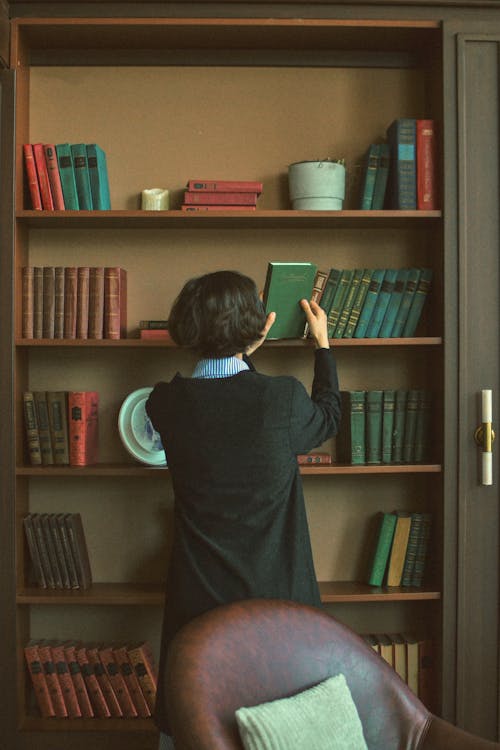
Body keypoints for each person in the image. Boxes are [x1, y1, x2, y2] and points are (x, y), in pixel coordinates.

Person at [145, 270, 341, 746]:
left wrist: (241, 350)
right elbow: (329, 417)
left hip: (198, 605)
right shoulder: (282, 400)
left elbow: (220, 402)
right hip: (278, 604)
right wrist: (323, 347)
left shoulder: (164, 403)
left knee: (201, 724)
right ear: (260, 327)